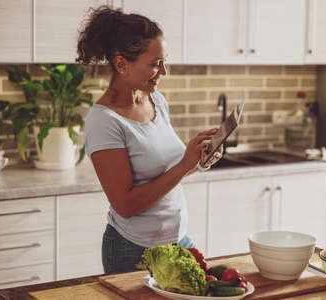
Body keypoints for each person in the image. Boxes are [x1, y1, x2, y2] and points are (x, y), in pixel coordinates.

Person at [76, 6, 223, 274]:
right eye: (155, 64)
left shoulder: (156, 101)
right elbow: (125, 205)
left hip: (177, 240)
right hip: (133, 251)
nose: (164, 71)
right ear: (121, 64)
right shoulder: (104, 121)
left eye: (165, 61)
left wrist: (199, 160)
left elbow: (167, 167)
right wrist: (183, 166)